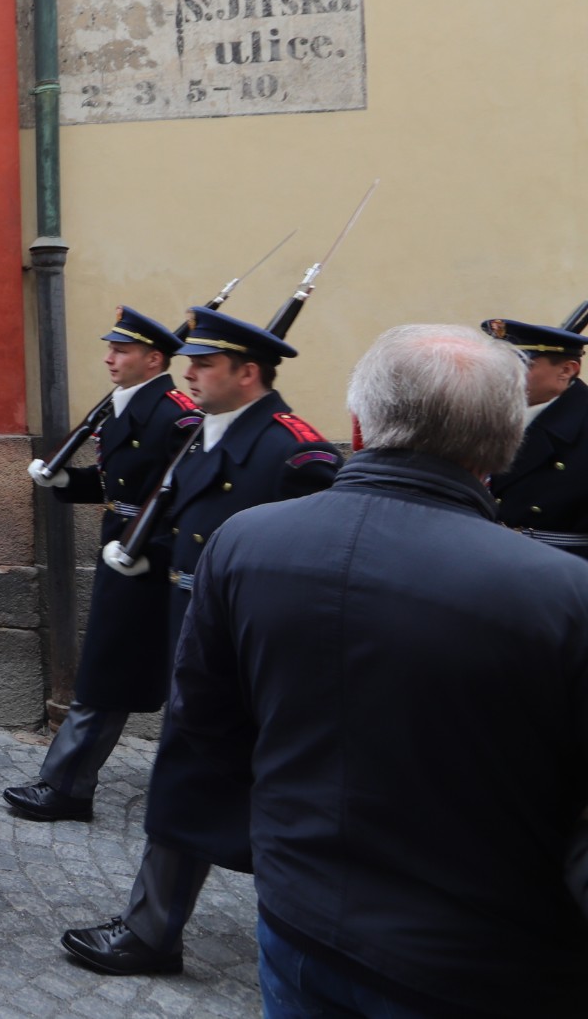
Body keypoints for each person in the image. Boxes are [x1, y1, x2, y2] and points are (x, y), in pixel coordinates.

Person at [160, 324, 588, 1015]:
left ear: (357, 426)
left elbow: (204, 728)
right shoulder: (562, 593)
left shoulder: (246, 542)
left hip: (300, 914)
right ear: (506, 443)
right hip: (481, 956)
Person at [61, 305, 342, 977]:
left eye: (206, 363)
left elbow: (328, 549)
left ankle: (169, 928)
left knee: (252, 777)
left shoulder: (294, 449)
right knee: (188, 771)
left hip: (250, 636)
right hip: (191, 616)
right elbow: (187, 521)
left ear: (249, 373)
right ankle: (152, 927)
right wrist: (143, 549)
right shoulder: (206, 435)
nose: (190, 371)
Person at [4, 306, 202, 822]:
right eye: (111, 348)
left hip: (148, 560)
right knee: (109, 668)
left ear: (153, 358)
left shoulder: (176, 414)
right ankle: (69, 781)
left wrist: (150, 553)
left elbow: (184, 496)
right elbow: (120, 485)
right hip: (121, 548)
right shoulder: (128, 405)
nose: (110, 358)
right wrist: (66, 482)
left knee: (109, 670)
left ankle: (67, 785)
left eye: (122, 350)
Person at [480, 317, 588, 560]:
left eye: (520, 365)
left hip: (560, 568)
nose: (503, 376)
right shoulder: (484, 412)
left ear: (566, 370)